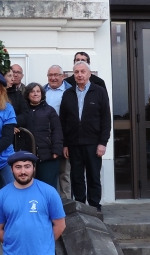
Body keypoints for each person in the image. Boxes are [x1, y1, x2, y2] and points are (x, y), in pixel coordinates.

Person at [59, 61, 112, 211]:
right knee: (76, 178)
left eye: (83, 71)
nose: (80, 75)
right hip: (74, 143)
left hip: (94, 143)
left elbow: (106, 119)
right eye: (76, 72)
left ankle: (95, 207)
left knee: (94, 177)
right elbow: (63, 121)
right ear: (73, 75)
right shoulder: (67, 94)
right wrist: (65, 144)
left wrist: (103, 142)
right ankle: (80, 207)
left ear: (89, 74)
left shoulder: (99, 91)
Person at [17, 83, 64, 188]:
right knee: (29, 187)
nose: (35, 94)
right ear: (28, 94)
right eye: (32, 92)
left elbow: (57, 130)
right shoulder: (23, 111)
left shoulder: (50, 111)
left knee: (47, 187)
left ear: (42, 94)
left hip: (47, 157)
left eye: (38, 91)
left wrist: (56, 150)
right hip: (27, 156)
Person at [44, 66, 72, 198]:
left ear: (63, 76)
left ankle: (66, 205)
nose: (53, 78)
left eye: (56, 75)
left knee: (64, 173)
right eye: (50, 75)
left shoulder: (70, 91)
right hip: (46, 139)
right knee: (49, 173)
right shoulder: (42, 91)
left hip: (64, 138)